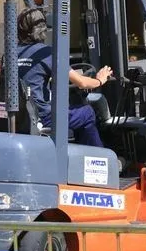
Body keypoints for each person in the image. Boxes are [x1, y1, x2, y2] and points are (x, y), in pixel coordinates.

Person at [16, 8, 111, 147]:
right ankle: (99, 159)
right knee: (88, 113)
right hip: (42, 117)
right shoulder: (45, 53)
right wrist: (100, 80)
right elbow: (82, 83)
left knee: (74, 112)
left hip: (21, 116)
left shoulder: (10, 54)